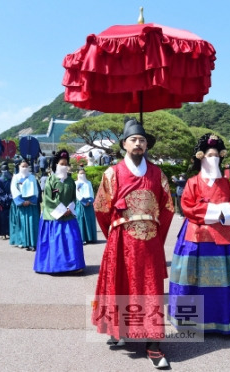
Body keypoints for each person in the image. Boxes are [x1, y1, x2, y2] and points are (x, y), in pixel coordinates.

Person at [92, 118, 174, 369]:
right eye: (133, 140)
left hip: (149, 241)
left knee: (150, 289)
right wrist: (116, 233)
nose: (138, 144)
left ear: (147, 145)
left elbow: (168, 208)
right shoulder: (112, 173)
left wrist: (155, 236)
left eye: (142, 140)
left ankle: (153, 344)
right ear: (124, 145)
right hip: (121, 239)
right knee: (120, 285)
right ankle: (118, 330)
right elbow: (101, 209)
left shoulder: (158, 174)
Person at [169, 133, 230, 337]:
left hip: (225, 235)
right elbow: (187, 206)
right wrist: (215, 211)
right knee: (194, 279)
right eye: (209, 155)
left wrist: (225, 210)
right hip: (197, 236)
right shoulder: (193, 182)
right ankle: (191, 320)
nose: (213, 159)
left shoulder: (227, 183)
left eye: (216, 155)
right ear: (200, 157)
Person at [34, 150, 86, 273]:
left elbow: (74, 197)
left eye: (65, 164)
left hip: (68, 215)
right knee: (55, 242)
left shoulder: (70, 181)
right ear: (56, 164)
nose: (64, 166)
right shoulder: (50, 180)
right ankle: (55, 266)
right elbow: (47, 199)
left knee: (72, 240)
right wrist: (61, 210)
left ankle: (74, 266)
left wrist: (69, 208)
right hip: (54, 217)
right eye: (61, 164)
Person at [9, 160, 40, 250]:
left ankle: (32, 242)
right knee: (21, 223)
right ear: (19, 167)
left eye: (26, 166)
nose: (24, 168)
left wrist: (31, 200)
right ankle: (22, 242)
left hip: (31, 204)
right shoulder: (16, 177)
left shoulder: (32, 177)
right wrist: (21, 201)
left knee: (32, 223)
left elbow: (36, 190)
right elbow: (14, 189)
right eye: (23, 166)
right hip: (21, 204)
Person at [75, 168, 98, 244]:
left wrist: (90, 201)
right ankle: (83, 238)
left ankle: (91, 238)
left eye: (83, 173)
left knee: (90, 219)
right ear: (78, 174)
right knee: (81, 220)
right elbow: (77, 194)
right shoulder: (76, 183)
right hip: (81, 203)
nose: (82, 175)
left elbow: (91, 192)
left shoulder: (88, 183)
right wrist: (84, 201)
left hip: (89, 203)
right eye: (81, 173)